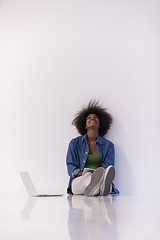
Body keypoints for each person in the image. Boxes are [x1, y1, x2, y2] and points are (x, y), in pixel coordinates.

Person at [66, 100, 119, 197]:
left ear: (100, 124)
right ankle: (101, 188)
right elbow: (71, 168)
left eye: (96, 118)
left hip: (101, 178)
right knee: (88, 178)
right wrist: (87, 174)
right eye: (89, 118)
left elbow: (108, 168)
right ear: (85, 125)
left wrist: (100, 176)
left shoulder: (109, 146)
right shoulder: (74, 144)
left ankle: (98, 188)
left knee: (102, 180)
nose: (92, 119)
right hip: (80, 180)